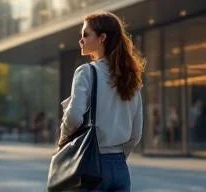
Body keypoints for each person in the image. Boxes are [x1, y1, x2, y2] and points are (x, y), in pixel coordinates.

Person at [58, 11, 145, 192]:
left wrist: (63, 141)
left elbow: (74, 117)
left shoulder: (86, 72)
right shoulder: (131, 77)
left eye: (85, 35)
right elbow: (136, 133)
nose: (81, 40)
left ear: (102, 38)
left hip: (91, 167)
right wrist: (117, 159)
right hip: (120, 168)